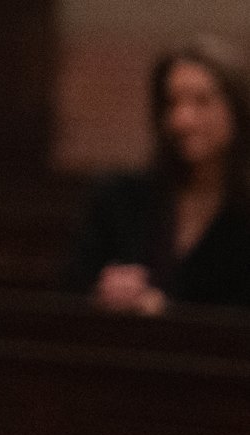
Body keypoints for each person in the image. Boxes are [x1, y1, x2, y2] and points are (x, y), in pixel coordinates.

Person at [64, 37, 250, 314]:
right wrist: (101, 290)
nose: (182, 120)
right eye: (172, 103)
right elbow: (69, 287)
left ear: (237, 109)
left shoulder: (242, 212)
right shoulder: (120, 197)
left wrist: (166, 310)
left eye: (202, 101)